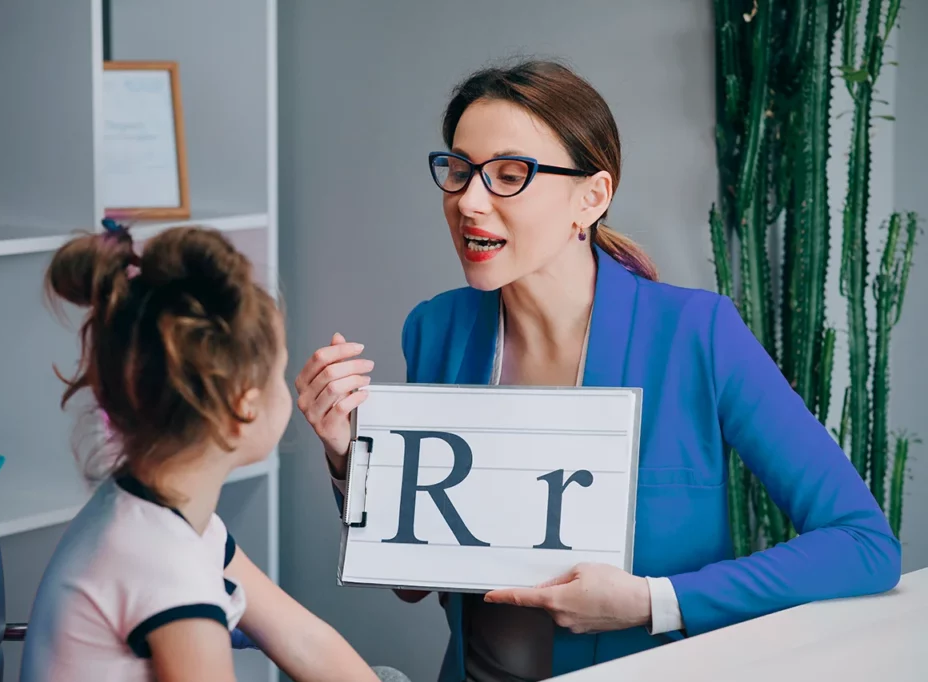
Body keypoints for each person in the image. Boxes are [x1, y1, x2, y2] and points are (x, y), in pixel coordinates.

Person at [293, 59, 902, 681]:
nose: (468, 201)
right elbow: (413, 584)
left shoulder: (699, 334)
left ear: (592, 196)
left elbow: (863, 544)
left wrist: (651, 601)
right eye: (458, 170)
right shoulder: (436, 328)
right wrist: (351, 462)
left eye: (509, 175)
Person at [20, 224, 410, 682]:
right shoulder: (169, 572)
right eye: (279, 372)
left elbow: (304, 640)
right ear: (244, 405)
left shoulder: (164, 518)